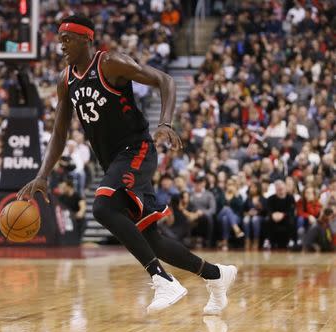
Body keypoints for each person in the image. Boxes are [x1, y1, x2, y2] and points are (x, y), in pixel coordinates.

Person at [18, 15, 237, 314]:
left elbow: (165, 80)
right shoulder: (65, 80)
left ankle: (163, 280)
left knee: (103, 206)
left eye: (67, 38)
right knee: (153, 240)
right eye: (59, 38)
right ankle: (217, 276)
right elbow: (59, 131)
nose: (61, 44)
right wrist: (42, 175)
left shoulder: (110, 63)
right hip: (114, 162)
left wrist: (165, 123)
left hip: (137, 150)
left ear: (86, 38)